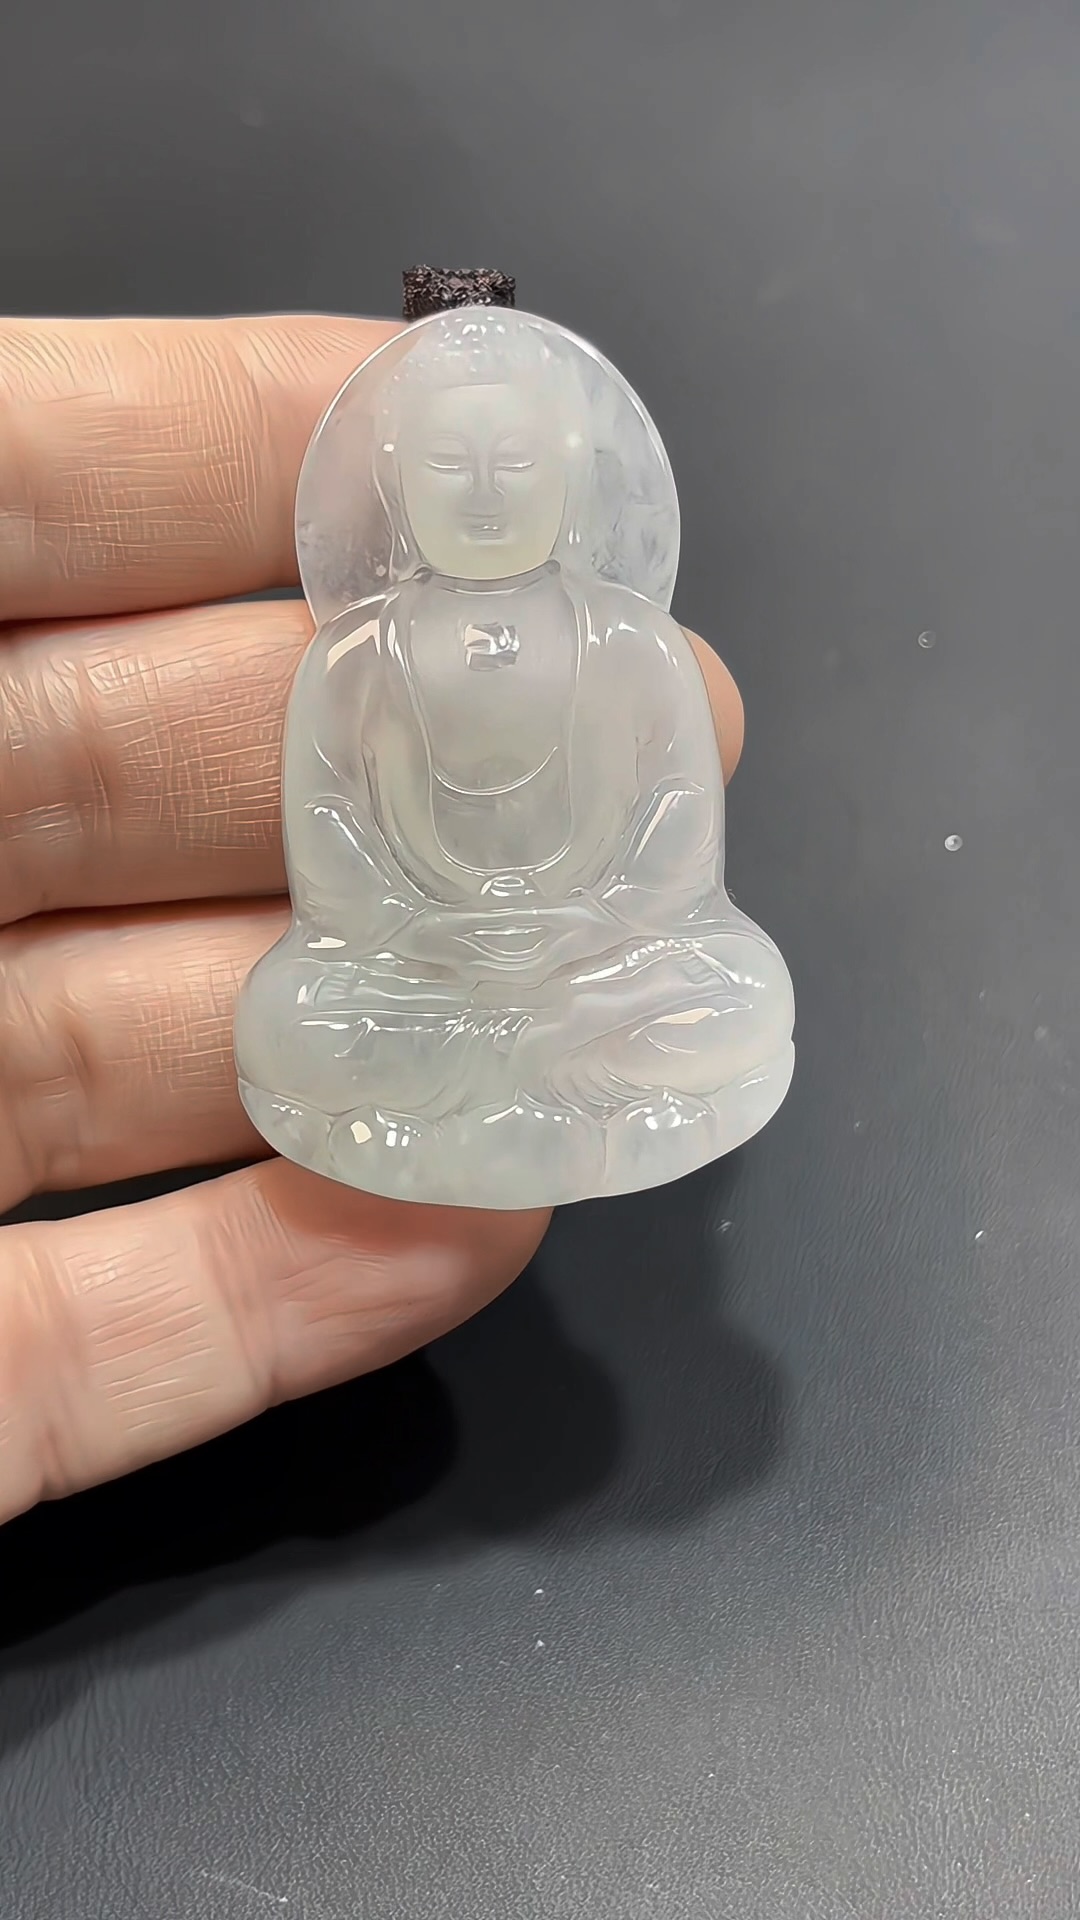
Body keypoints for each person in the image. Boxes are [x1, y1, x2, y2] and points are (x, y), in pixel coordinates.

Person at [0, 312, 746, 1527]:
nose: (487, 493)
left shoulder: (631, 645)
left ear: (568, 478)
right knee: (291, 1016)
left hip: (593, 960)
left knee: (729, 994)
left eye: (516, 463)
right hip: (414, 970)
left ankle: (496, 1082)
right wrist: (425, 937)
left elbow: (674, 838)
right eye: (453, 464)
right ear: (399, 485)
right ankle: (549, 1084)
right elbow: (336, 851)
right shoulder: (355, 661)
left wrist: (585, 924)